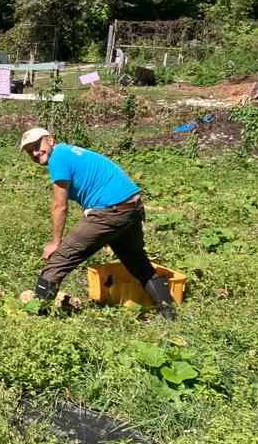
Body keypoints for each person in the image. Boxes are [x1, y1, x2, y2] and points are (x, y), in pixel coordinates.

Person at [19, 127, 176, 320]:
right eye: (29, 151)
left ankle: (35, 319)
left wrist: (55, 242)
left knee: (57, 261)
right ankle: (170, 315)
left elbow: (60, 205)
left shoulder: (58, 158)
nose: (35, 153)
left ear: (49, 140)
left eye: (37, 146)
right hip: (131, 207)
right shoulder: (69, 151)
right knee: (137, 261)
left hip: (111, 210)